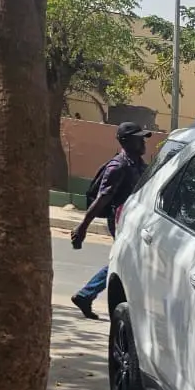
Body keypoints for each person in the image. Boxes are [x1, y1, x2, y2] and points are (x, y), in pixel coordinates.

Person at [70, 120, 153, 319]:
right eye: (139, 139)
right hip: (121, 220)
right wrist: (83, 226)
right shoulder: (118, 167)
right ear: (126, 141)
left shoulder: (139, 165)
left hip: (136, 221)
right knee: (126, 259)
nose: (144, 143)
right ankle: (87, 294)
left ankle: (86, 294)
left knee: (131, 260)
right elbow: (103, 198)